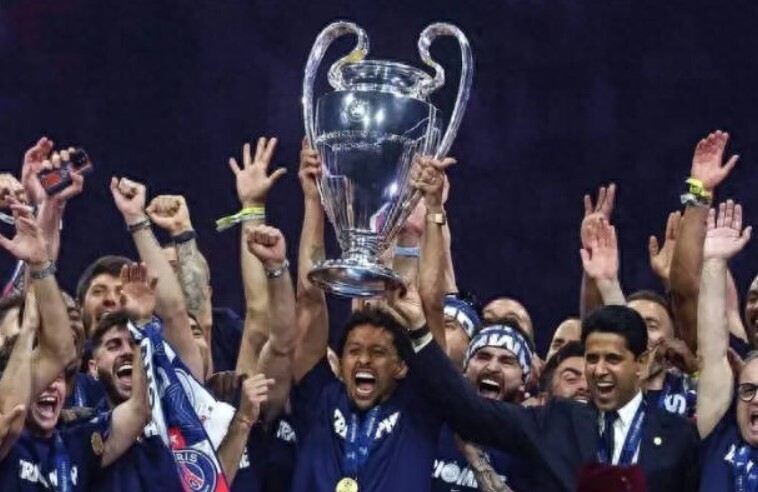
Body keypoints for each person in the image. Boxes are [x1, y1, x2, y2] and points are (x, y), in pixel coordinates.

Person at [408, 303, 700, 492]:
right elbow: (470, 412)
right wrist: (420, 331)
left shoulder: (678, 435)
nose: (598, 370)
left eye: (612, 359)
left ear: (641, 363)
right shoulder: (556, 419)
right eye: (592, 358)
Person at [694, 198, 755, 491]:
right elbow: (713, 348)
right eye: (748, 390)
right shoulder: (720, 433)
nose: (756, 400)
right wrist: (714, 262)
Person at [432, 323, 533, 492]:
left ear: (523, 382)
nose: (492, 368)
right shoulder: (432, 424)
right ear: (464, 370)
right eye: (483, 357)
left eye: (506, 361)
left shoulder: (530, 447)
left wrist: (473, 455)